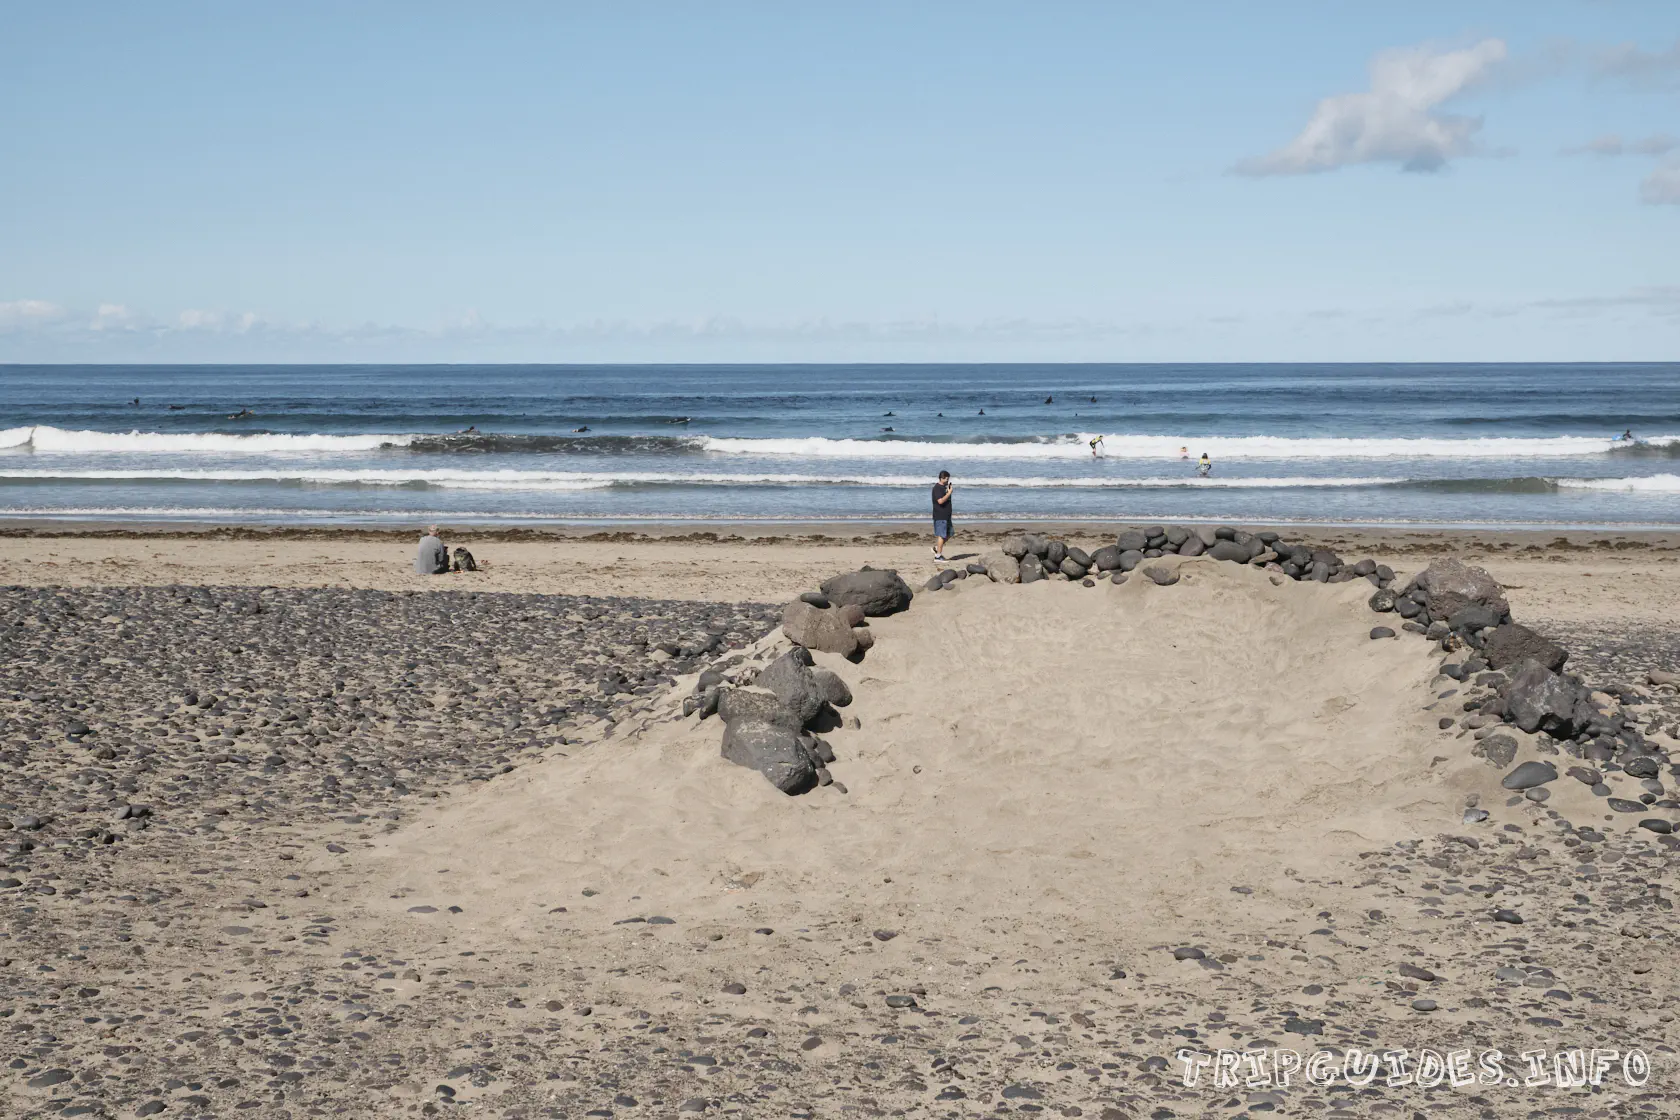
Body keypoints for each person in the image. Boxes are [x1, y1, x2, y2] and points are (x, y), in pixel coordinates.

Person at [931, 470, 954, 561]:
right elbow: (940, 501)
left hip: (947, 515)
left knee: (950, 533)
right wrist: (949, 493)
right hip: (940, 515)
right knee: (941, 535)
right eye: (946, 479)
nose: (948, 481)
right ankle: (938, 556)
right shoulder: (937, 488)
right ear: (942, 478)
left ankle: (937, 548)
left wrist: (948, 491)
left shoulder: (944, 487)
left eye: (948, 479)